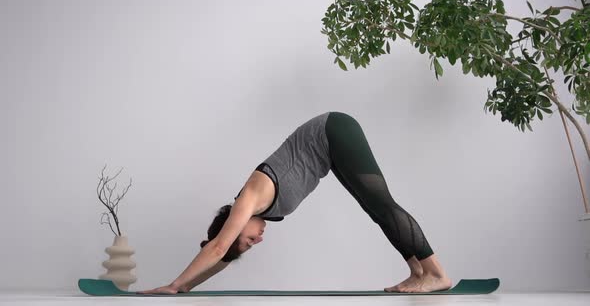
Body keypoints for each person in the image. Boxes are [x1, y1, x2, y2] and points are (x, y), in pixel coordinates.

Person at [138, 111, 452, 294]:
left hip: (333, 131)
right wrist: (187, 289)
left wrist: (174, 284)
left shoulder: (249, 197)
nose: (258, 239)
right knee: (375, 210)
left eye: (248, 239)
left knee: (382, 204)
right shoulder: (257, 212)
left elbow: (219, 247)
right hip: (331, 148)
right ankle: (418, 272)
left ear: (233, 224)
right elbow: (223, 256)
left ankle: (436, 274)